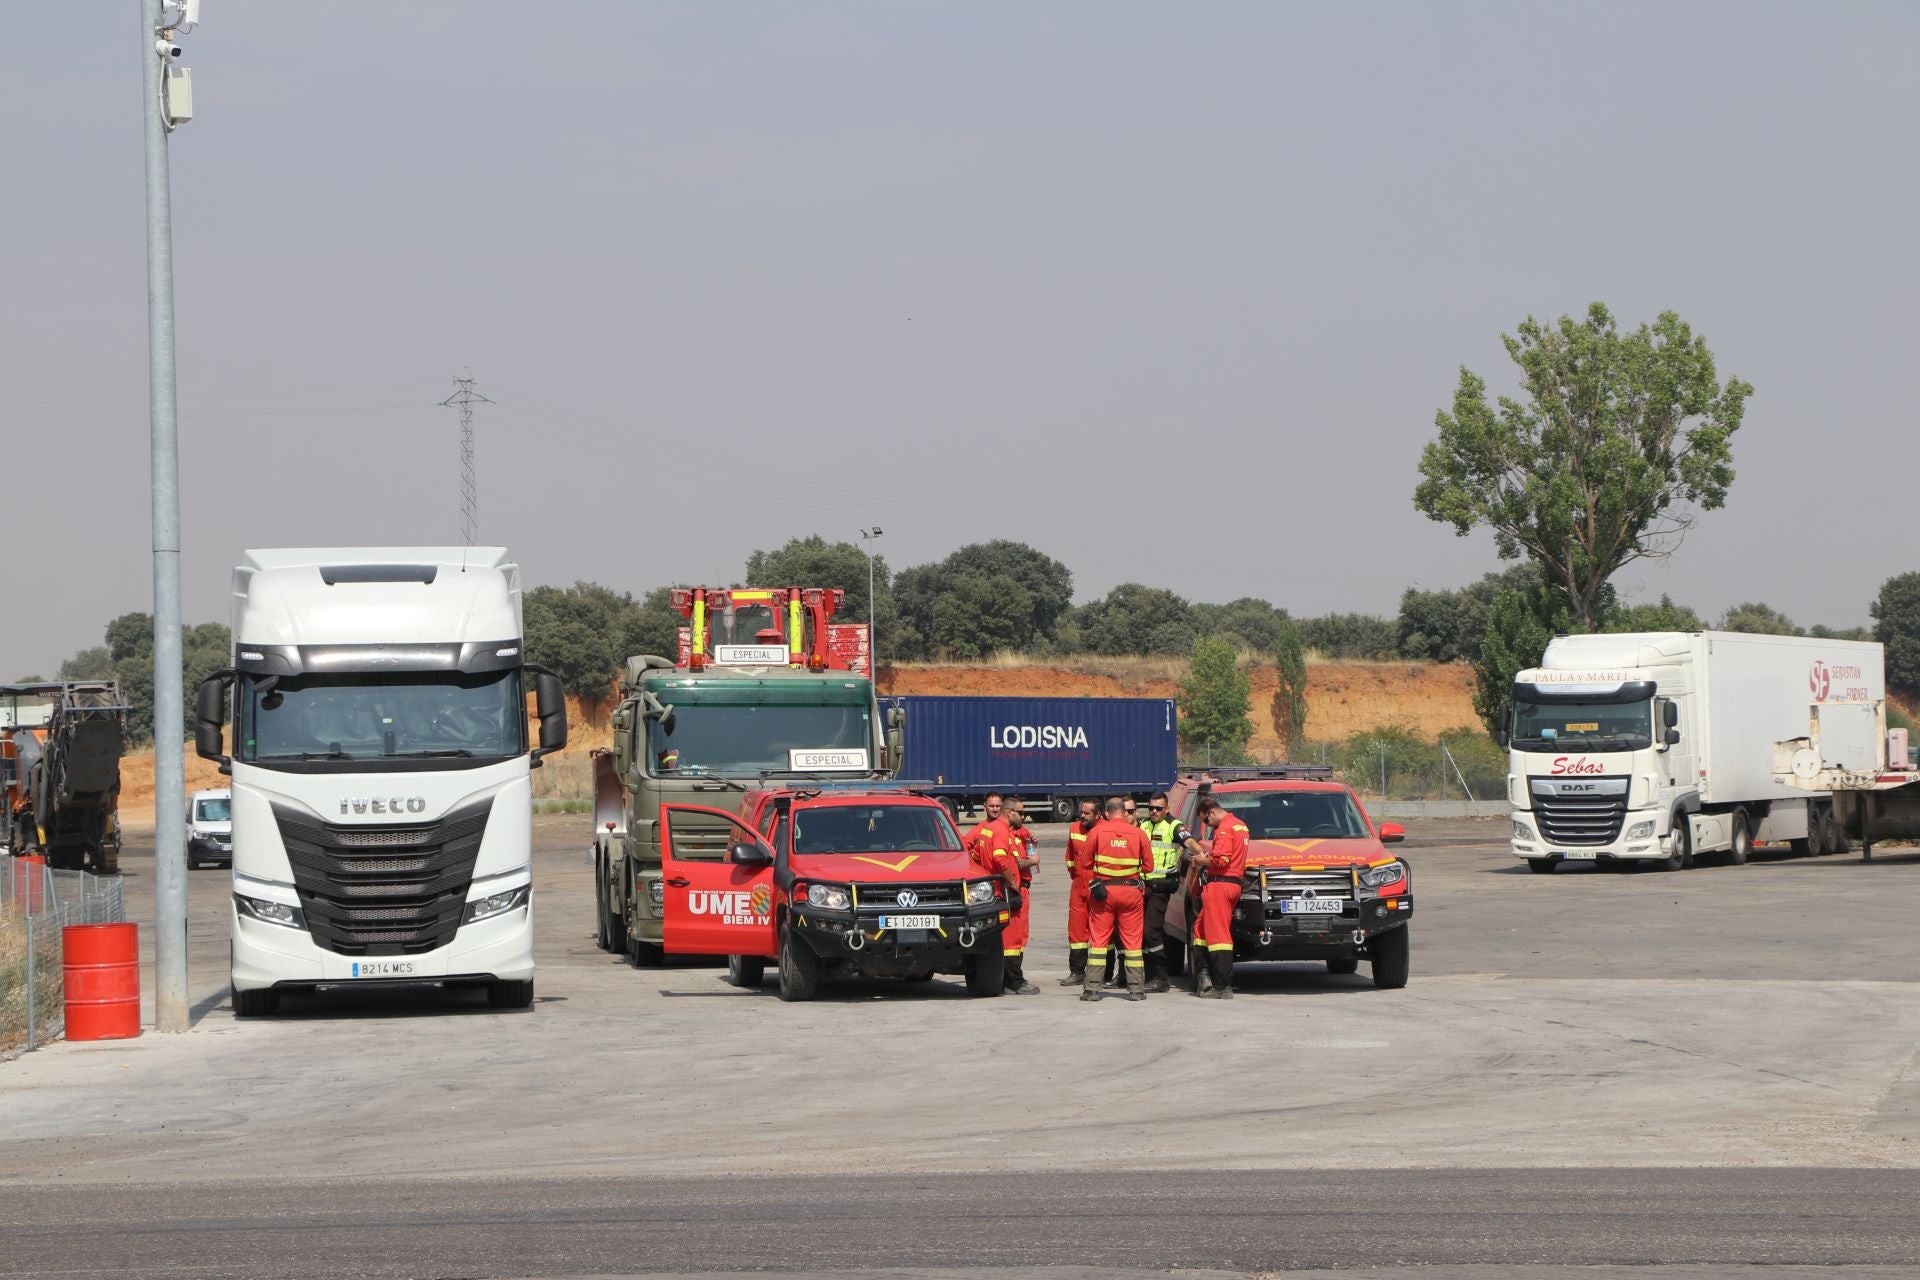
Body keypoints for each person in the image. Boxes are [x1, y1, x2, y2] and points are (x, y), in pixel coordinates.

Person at [1076, 796, 1154, 1003]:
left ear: (1108, 813)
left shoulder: (1096, 832)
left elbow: (1084, 863)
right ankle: (1136, 989)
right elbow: (1149, 867)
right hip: (1131, 894)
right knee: (1133, 942)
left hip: (1104, 895)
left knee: (1099, 941)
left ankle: (1092, 989)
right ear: (1124, 812)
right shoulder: (1138, 833)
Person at [1190, 797, 1250, 1000]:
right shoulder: (1240, 825)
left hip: (1221, 884)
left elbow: (1221, 859)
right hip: (1231, 884)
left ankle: (1222, 985)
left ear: (1212, 812)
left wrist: (1201, 860)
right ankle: (1203, 975)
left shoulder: (1224, 828)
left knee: (1218, 936)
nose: (1207, 825)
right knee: (1200, 929)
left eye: (1206, 821)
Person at [1136, 793, 1194, 994]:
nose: (1153, 811)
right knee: (1140, 933)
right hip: (1142, 886)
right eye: (1151, 808)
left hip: (1161, 887)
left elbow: (1190, 843)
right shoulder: (1142, 825)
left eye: (1158, 809)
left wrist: (1203, 856)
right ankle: (1148, 976)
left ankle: (1160, 977)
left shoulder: (1174, 826)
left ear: (1166, 809)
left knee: (1150, 931)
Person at [1059, 799, 1099, 985]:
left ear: (1098, 815)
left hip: (1099, 887)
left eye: (1087, 813)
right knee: (1076, 932)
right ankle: (1076, 972)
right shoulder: (1074, 828)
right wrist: (1075, 875)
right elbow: (1069, 855)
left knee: (1101, 931)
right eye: (1081, 812)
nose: (1082, 815)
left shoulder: (1104, 830)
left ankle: (1103, 973)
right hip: (1078, 887)